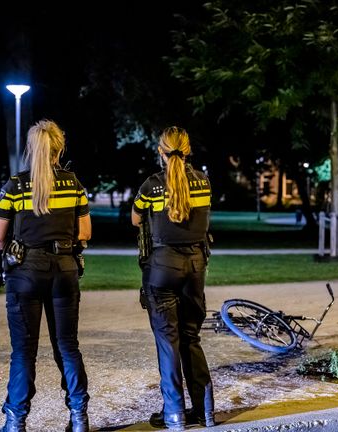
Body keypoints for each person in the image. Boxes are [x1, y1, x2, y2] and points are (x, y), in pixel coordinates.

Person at [0, 119, 92, 432]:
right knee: (68, 346)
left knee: (23, 350)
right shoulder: (74, 183)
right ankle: (78, 418)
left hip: (26, 274)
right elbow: (85, 233)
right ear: (58, 150)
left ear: (31, 149)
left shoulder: (16, 185)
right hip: (64, 271)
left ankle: (15, 420)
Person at [131, 126, 215, 430]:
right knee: (191, 338)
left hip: (162, 268)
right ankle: (205, 411)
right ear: (187, 149)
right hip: (196, 267)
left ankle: (175, 414)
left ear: (160, 150)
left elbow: (135, 218)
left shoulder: (151, 186)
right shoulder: (203, 182)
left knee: (168, 341)